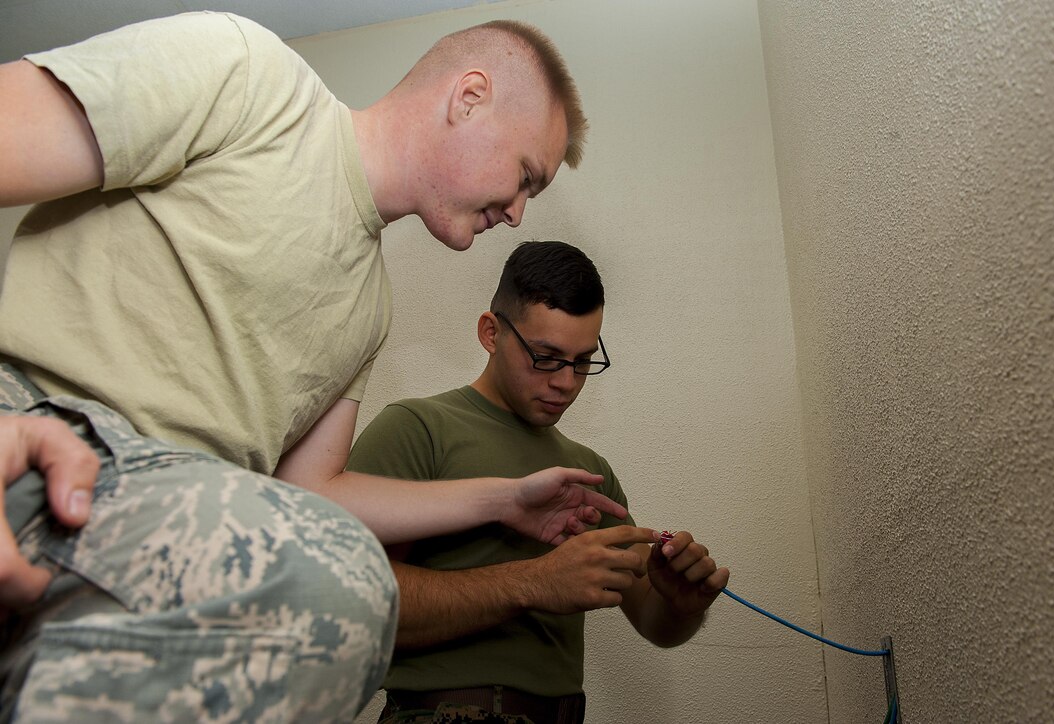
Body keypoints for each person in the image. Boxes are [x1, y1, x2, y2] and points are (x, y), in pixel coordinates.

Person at [0, 12, 613, 721]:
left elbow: (313, 496)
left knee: (338, 593)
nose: (515, 212)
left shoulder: (369, 306)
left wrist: (506, 500)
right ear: (468, 97)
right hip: (37, 430)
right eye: (524, 177)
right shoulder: (248, 76)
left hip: (157, 523)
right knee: (343, 583)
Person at [347, 241, 731, 724]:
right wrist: (535, 582)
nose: (566, 382)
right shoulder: (417, 429)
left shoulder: (591, 472)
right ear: (491, 333)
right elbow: (353, 604)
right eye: (546, 357)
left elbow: (655, 622)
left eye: (582, 360)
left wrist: (681, 606)